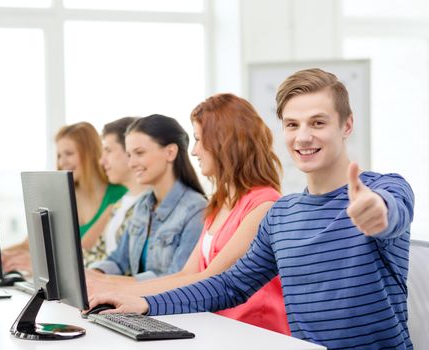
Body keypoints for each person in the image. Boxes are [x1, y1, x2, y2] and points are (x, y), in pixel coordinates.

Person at [87, 69, 415, 349]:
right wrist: (144, 303)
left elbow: (392, 213)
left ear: (346, 125)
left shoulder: (384, 189)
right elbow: (230, 285)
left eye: (317, 122)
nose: (303, 137)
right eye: (291, 125)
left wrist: (377, 213)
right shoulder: (282, 214)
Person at [88, 94, 289, 334]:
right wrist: (106, 287)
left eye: (198, 140)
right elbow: (188, 274)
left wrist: (120, 292)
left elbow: (212, 280)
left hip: (252, 333)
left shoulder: (264, 204)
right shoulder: (220, 203)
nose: (193, 151)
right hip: (214, 328)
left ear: (224, 143)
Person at [87, 114, 207, 281]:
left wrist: (112, 283)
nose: (131, 163)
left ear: (170, 152)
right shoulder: (142, 205)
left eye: (139, 153)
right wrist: (91, 275)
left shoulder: (196, 210)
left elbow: (177, 278)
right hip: (136, 302)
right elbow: (119, 261)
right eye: (129, 155)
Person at [2, 121, 127, 272]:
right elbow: (28, 246)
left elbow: (82, 253)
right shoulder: (60, 198)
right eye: (59, 155)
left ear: (90, 153)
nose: (62, 162)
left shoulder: (121, 195)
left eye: (69, 154)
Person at [83, 117, 148, 266]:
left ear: (130, 150)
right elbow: (94, 255)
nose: (101, 161)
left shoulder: (150, 204)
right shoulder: (119, 204)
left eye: (108, 151)